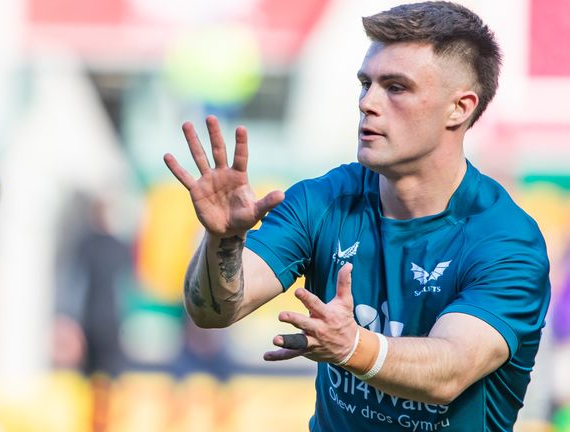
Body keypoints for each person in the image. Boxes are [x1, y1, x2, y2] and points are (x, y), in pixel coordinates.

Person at [163, 2, 551, 431]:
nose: (368, 103)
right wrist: (224, 241)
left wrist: (352, 346)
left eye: (396, 87)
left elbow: (450, 369)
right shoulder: (323, 200)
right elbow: (215, 312)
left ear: (458, 108)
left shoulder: (506, 240)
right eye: (366, 84)